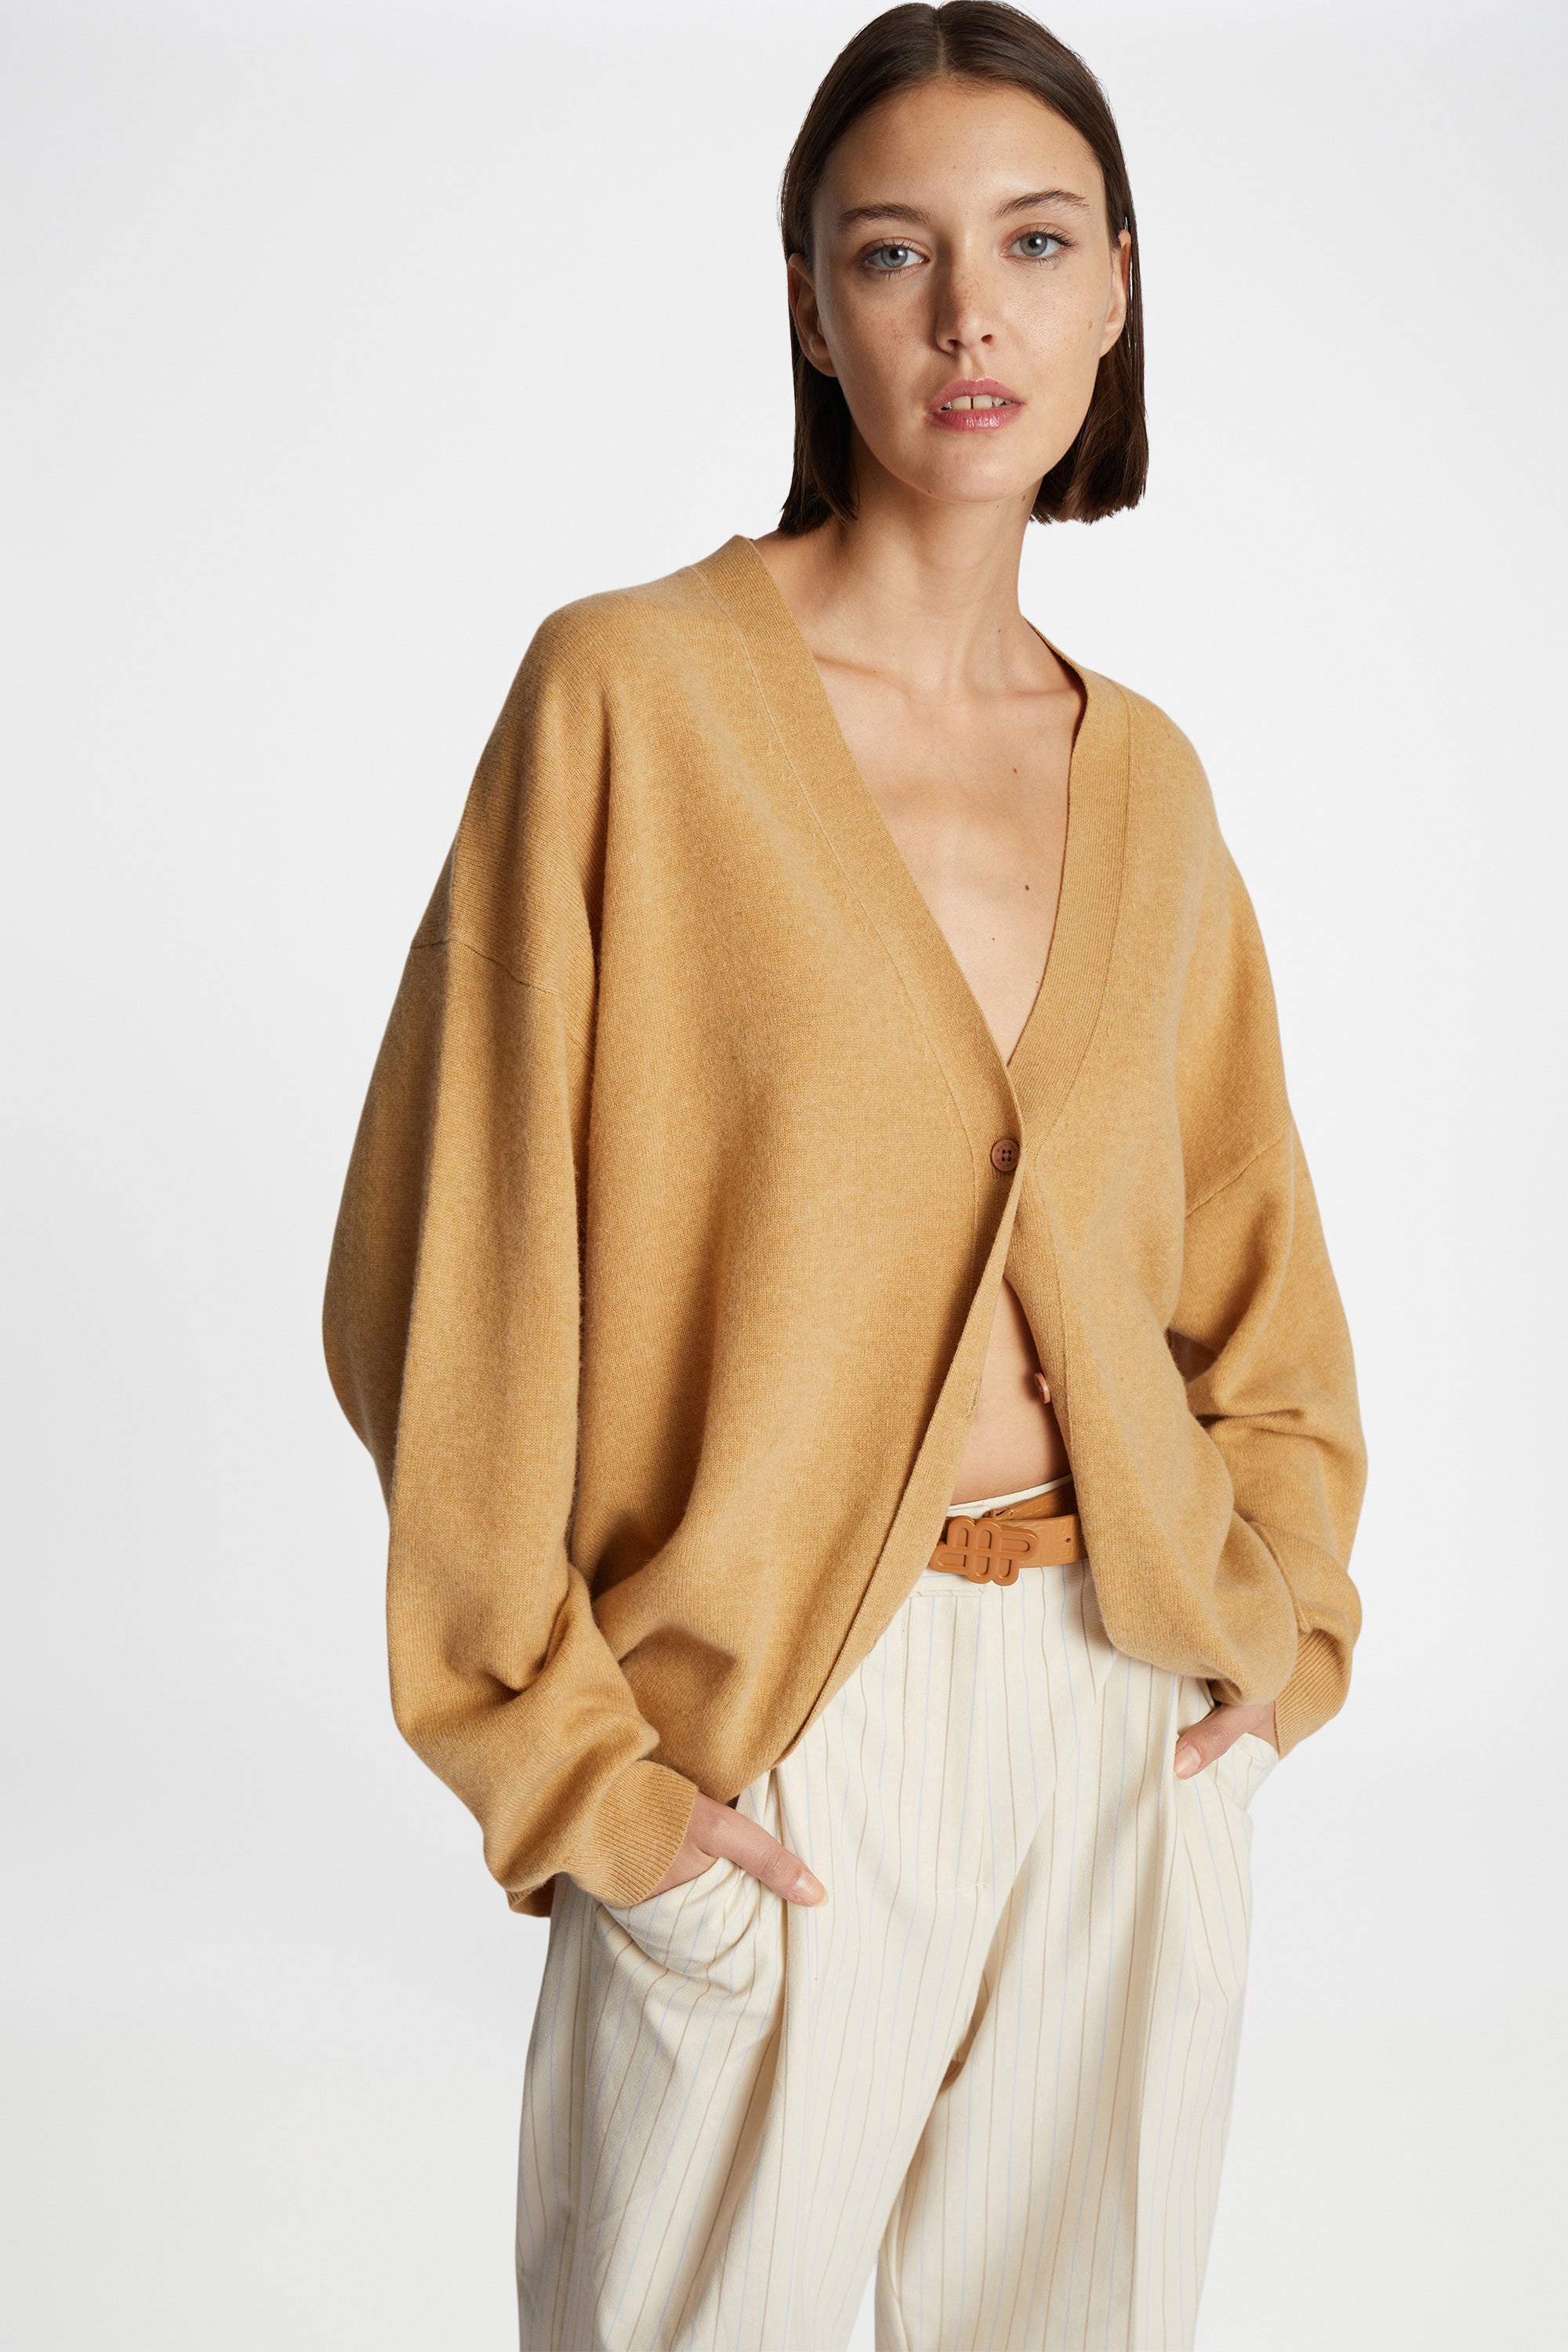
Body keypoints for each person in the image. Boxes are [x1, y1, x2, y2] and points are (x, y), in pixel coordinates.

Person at [322, 5, 1366, 2345]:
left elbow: (1260, 1297)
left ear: (1119, 287)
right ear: (811, 303)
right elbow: (434, 1280)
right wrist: (584, 1780)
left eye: (1037, 244)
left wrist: (1277, 1642)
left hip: (1121, 1716)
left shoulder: (1152, 784)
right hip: (772, 1739)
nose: (971, 315)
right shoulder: (629, 701)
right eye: (895, 252)